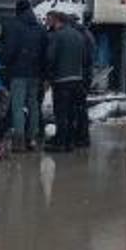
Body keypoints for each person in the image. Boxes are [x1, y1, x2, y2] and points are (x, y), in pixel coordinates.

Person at [2, 0, 46, 151]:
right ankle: (32, 138)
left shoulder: (14, 26)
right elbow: (44, 51)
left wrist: (6, 63)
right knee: (33, 104)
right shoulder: (40, 27)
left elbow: (10, 50)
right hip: (35, 73)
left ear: (18, 10)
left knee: (18, 106)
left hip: (19, 72)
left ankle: (19, 141)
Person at [43, 11, 87, 152]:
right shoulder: (79, 36)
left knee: (61, 112)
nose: (47, 23)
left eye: (48, 20)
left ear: (56, 20)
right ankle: (70, 142)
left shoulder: (57, 36)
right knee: (72, 112)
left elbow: (50, 58)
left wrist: (48, 77)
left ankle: (60, 142)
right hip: (77, 79)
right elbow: (85, 58)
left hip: (62, 80)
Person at [69, 14, 96, 148]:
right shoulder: (87, 34)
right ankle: (83, 136)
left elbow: (84, 58)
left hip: (81, 75)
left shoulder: (79, 36)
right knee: (80, 107)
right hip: (85, 75)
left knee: (77, 107)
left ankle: (80, 136)